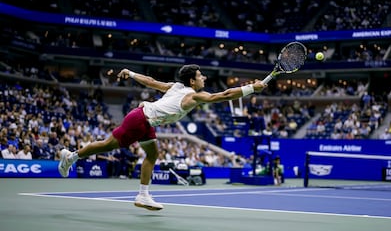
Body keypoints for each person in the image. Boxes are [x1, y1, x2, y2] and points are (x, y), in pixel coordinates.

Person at [58, 64, 267, 210]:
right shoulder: (192, 95)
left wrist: (130, 73)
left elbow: (150, 82)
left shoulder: (176, 87)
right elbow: (222, 96)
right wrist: (251, 88)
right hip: (140, 119)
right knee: (107, 146)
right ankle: (74, 159)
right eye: (201, 75)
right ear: (192, 80)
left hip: (145, 120)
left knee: (149, 154)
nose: (204, 78)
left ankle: (73, 158)